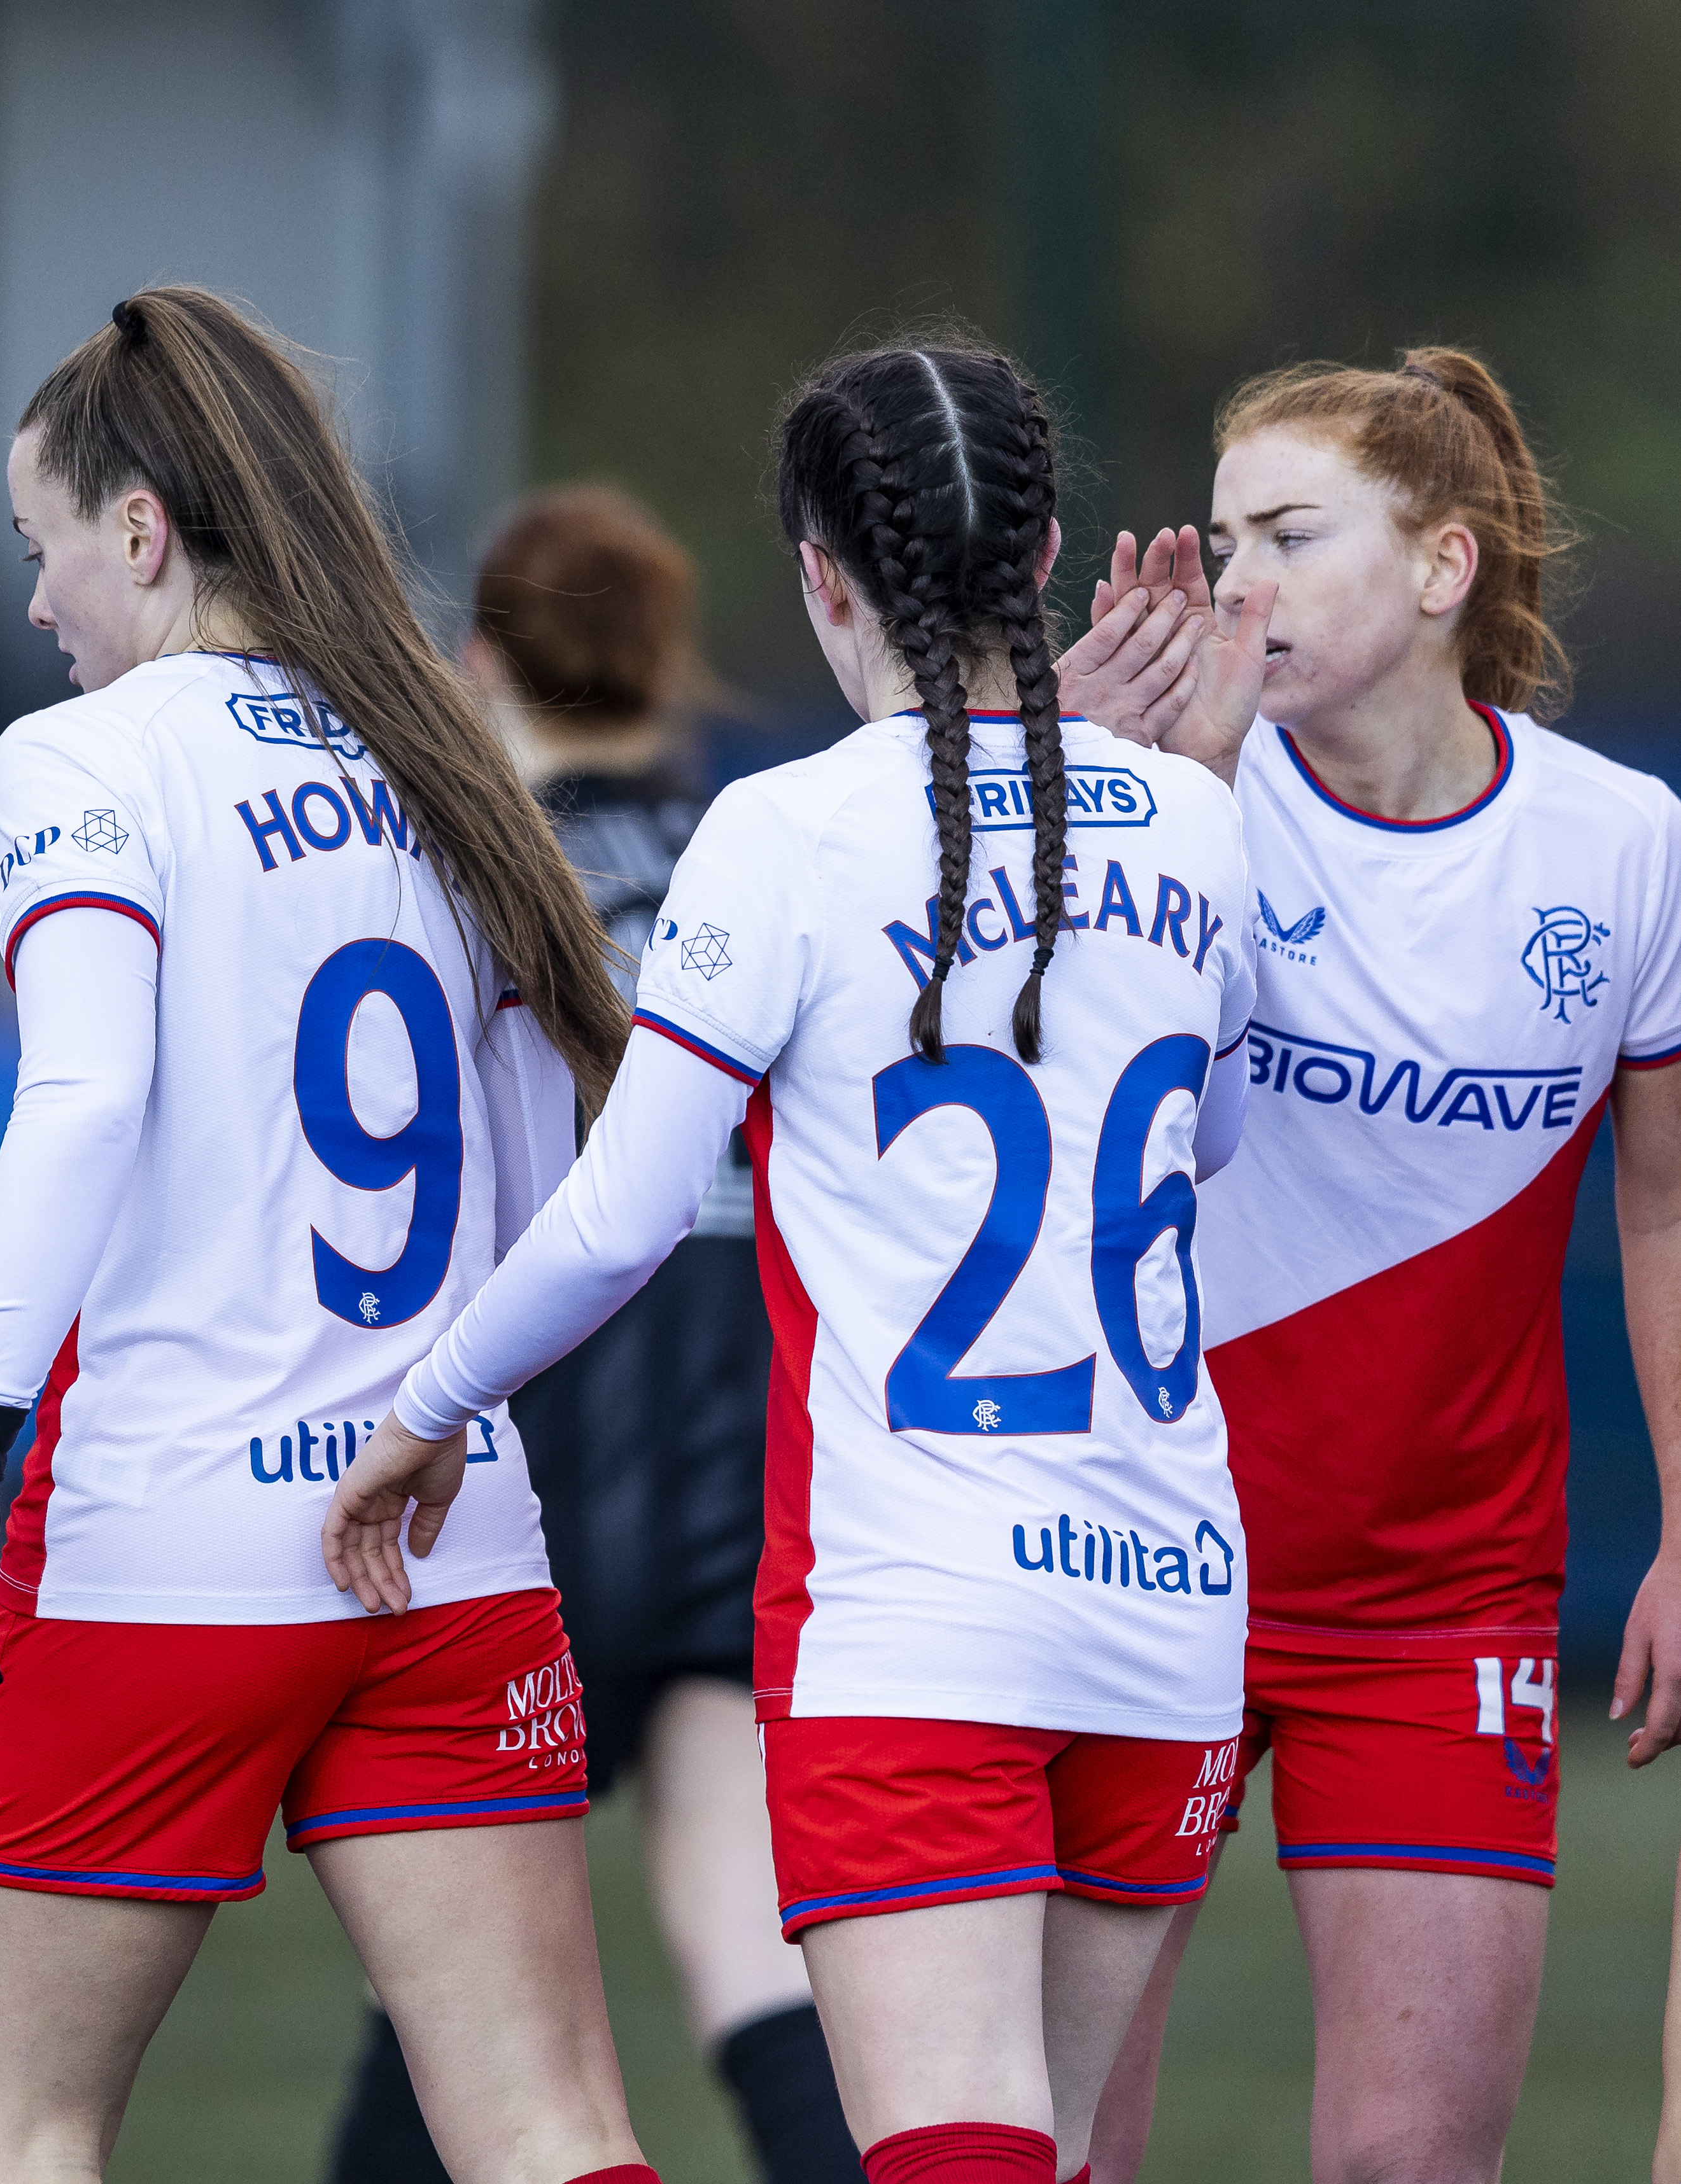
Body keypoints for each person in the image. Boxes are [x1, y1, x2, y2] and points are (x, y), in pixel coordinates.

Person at [326, 339, 1265, 2184]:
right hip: (1165, 1606)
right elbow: (1206, 1146)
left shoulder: (790, 829)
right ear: (1052, 546)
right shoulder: (1194, 818)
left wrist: (424, 1407)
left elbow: (611, 1216)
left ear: (821, 576)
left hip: (919, 1610)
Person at [0, 286, 658, 2184]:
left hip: (171, 1541)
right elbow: (548, 1148)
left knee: (13, 2117)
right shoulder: (442, 751)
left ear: (138, 528)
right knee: (549, 2127)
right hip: (440, 1522)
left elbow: (79, 1099)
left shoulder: (81, 758)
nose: (40, 604)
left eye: (41, 549)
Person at [1052, 349, 1681, 2184]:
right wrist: (1112, 794)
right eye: (1222, 533)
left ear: (1439, 568)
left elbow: (1660, 1208)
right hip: (1142, 1550)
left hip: (1441, 1599)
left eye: (1290, 534)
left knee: (1407, 2168)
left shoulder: (1625, 848)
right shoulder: (1166, 803)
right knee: (1056, 2147)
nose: (1236, 579)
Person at [325, 486, 859, 2184]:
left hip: (508, 1490)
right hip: (738, 1488)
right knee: (758, 1963)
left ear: (474, 659)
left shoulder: (438, 870)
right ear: (667, 662)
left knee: (460, 2012)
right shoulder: (757, 859)